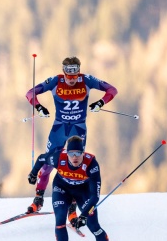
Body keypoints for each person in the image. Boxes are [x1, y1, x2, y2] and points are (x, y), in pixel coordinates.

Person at [25, 56, 118, 222]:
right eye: (68, 75)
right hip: (59, 128)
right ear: (63, 72)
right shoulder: (55, 80)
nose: (72, 79)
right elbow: (30, 93)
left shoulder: (87, 80)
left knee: (76, 168)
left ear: (79, 71)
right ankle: (38, 199)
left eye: (75, 75)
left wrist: (100, 103)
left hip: (78, 129)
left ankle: (72, 208)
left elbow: (112, 90)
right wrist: (38, 107)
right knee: (47, 165)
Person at [27, 136, 125, 241]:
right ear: (66, 153)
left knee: (94, 226)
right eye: (71, 153)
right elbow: (42, 158)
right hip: (61, 189)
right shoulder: (58, 158)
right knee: (60, 219)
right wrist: (33, 173)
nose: (75, 157)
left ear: (83, 153)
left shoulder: (91, 164)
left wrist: (84, 215)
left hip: (82, 192)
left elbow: (95, 196)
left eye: (78, 153)